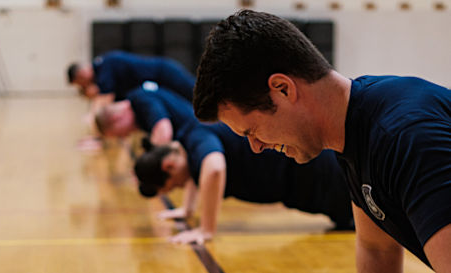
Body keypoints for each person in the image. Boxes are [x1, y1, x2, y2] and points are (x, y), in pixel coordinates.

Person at [192, 9, 451, 272]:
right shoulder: (354, 133)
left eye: (251, 131)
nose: (256, 147)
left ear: (283, 89)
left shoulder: (406, 136)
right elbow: (377, 249)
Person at [134, 122, 354, 244]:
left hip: (319, 177)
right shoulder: (187, 142)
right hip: (306, 185)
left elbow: (214, 168)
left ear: (168, 166)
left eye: (174, 186)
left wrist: (206, 230)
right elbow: (194, 174)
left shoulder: (196, 137)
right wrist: (187, 209)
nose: (180, 188)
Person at [67, 50, 195, 102]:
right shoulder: (102, 70)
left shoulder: (104, 66)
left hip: (164, 73)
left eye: (81, 83)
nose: (84, 86)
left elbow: (106, 98)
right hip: (158, 81)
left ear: (82, 74)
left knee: (196, 93)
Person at [94, 84, 198, 145]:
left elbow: (164, 133)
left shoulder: (140, 100)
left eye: (119, 135)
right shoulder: (137, 108)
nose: (125, 136)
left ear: (116, 118)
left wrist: (147, 166)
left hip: (198, 131)